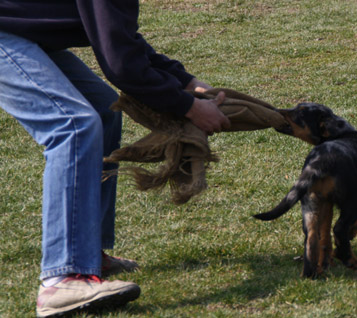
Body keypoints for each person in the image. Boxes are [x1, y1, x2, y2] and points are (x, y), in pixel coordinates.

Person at [0, 1, 231, 317]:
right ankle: (62, 279)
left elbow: (117, 37)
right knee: (74, 126)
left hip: (19, 32)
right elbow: (121, 64)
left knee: (103, 111)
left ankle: (87, 255)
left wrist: (186, 82)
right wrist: (188, 107)